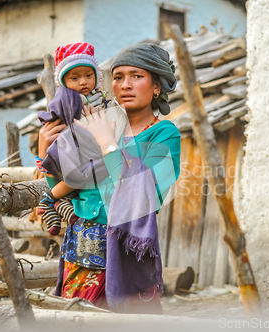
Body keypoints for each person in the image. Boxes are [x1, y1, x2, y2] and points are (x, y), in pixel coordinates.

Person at [38, 43, 181, 314]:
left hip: (127, 256)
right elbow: (61, 181)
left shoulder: (164, 135)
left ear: (156, 87)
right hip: (78, 252)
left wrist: (107, 143)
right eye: (118, 77)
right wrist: (44, 149)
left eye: (136, 76)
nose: (125, 84)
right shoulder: (91, 121)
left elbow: (144, 193)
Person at [36, 42, 105, 236]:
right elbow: (58, 118)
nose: (83, 82)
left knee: (85, 174)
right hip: (70, 146)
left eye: (88, 76)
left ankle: (58, 204)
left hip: (85, 146)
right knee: (81, 172)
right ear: (63, 81)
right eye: (75, 78)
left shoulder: (98, 96)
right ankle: (51, 199)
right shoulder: (67, 98)